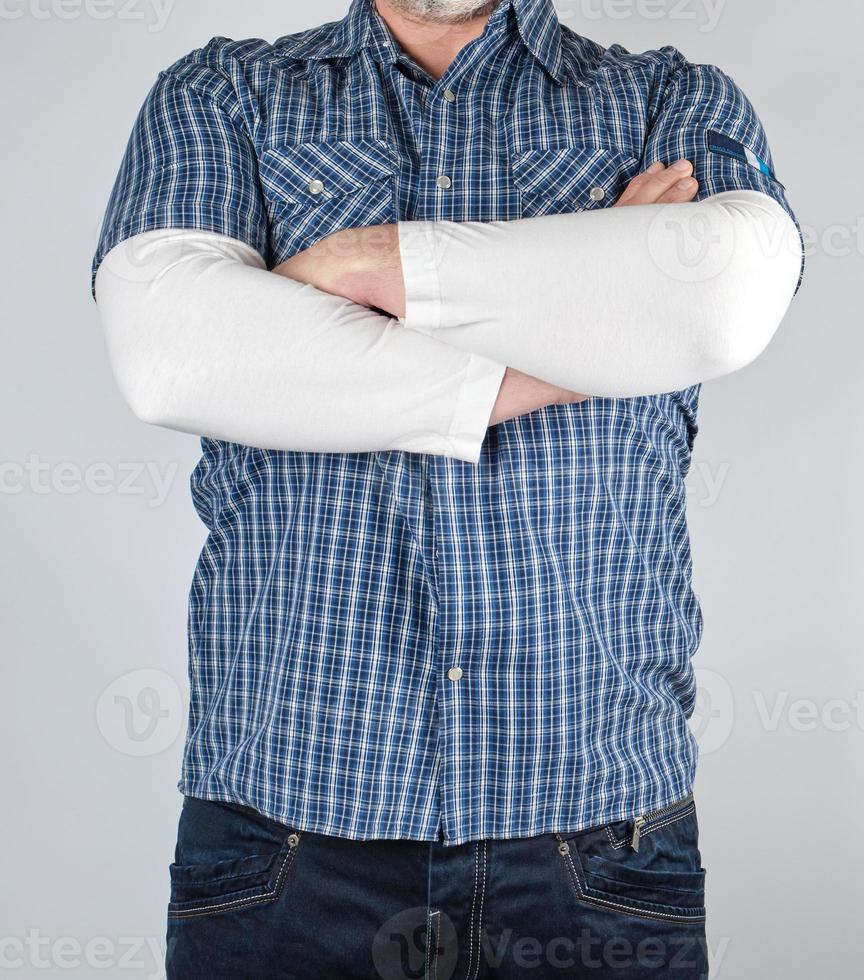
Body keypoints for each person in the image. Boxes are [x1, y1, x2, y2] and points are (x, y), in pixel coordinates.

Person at [92, 0, 802, 974]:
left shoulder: (670, 100)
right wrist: (597, 305)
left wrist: (356, 266)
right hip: (286, 824)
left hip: (598, 828)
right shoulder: (222, 94)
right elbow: (173, 353)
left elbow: (728, 293)